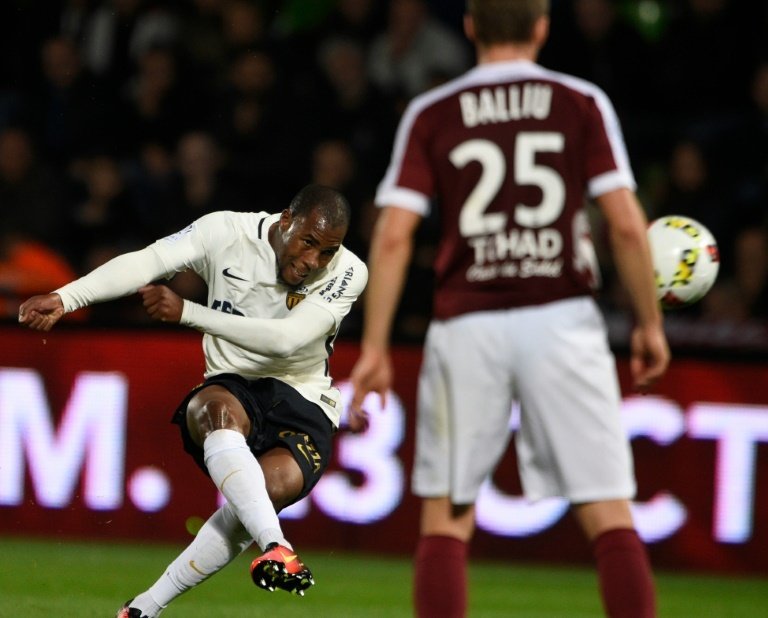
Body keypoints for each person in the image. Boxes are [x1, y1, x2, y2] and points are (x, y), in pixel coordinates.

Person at [349, 1, 669, 617]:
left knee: (446, 516)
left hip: (466, 323)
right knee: (607, 511)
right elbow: (628, 228)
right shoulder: (581, 101)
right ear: (542, 27)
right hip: (563, 318)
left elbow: (392, 235)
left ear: (469, 26)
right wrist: (650, 323)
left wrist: (376, 348)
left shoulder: (433, 110)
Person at [18, 183, 368, 617]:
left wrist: (188, 313)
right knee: (213, 411)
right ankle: (277, 547)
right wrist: (66, 297)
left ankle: (143, 608)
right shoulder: (224, 232)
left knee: (262, 495)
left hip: (306, 400)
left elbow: (285, 340)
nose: (313, 261)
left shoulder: (349, 271)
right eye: (308, 243)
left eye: (326, 251)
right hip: (234, 385)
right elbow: (149, 261)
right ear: (285, 220)